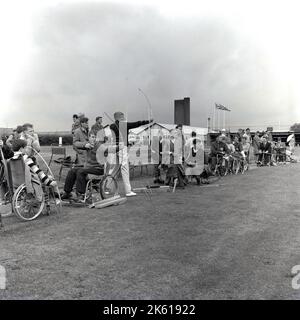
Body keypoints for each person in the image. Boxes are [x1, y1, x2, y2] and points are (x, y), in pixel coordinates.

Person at [110, 111, 153, 197]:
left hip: (115, 148)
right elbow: (137, 123)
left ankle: (107, 187)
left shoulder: (112, 126)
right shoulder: (123, 124)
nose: (124, 118)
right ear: (119, 117)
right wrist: (148, 121)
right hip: (122, 148)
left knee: (115, 169)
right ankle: (128, 191)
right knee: (125, 169)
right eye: (123, 117)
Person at [61, 132, 104, 201]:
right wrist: (84, 145)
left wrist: (118, 147)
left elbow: (109, 149)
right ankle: (67, 192)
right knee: (72, 170)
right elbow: (76, 144)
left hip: (98, 169)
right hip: (88, 168)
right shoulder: (88, 144)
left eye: (95, 137)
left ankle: (81, 194)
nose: (94, 139)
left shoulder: (99, 146)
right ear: (89, 138)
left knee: (80, 171)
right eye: (92, 137)